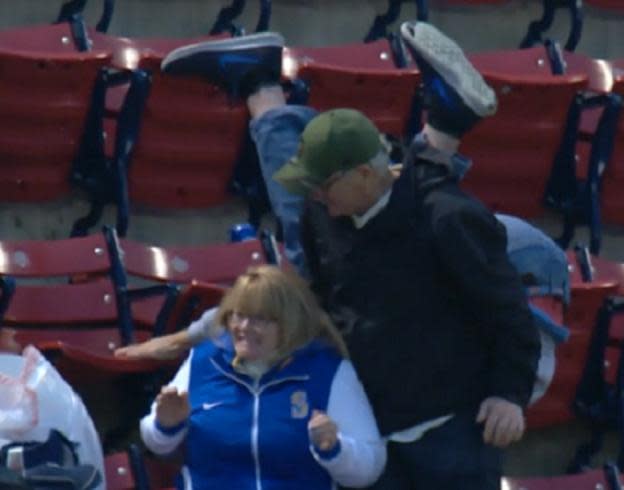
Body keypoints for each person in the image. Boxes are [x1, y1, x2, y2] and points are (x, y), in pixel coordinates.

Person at [120, 21, 540, 489]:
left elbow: (507, 310)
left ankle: (432, 116)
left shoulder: (449, 219)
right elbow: (313, 292)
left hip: (447, 432)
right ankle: (442, 118)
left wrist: (509, 393)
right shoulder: (325, 213)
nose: (315, 197)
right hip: (377, 423)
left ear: (362, 173)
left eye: (325, 185)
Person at [139, 265, 386, 489]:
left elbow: (369, 469)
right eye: (237, 315)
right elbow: (156, 441)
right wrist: (166, 425)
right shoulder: (204, 361)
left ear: (289, 324)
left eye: (259, 319)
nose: (244, 327)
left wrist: (336, 450)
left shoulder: (327, 371)